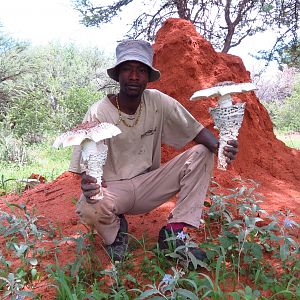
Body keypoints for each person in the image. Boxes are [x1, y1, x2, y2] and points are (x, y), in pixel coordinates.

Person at [69, 39, 238, 263]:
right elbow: (85, 167)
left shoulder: (158, 101)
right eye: (127, 69)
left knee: (202, 152)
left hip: (150, 184)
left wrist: (222, 147)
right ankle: (116, 232)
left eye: (141, 70)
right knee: (87, 205)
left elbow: (197, 132)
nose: (134, 76)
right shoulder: (98, 112)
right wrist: (89, 184)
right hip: (114, 191)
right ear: (118, 74)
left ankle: (174, 233)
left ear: (148, 76)